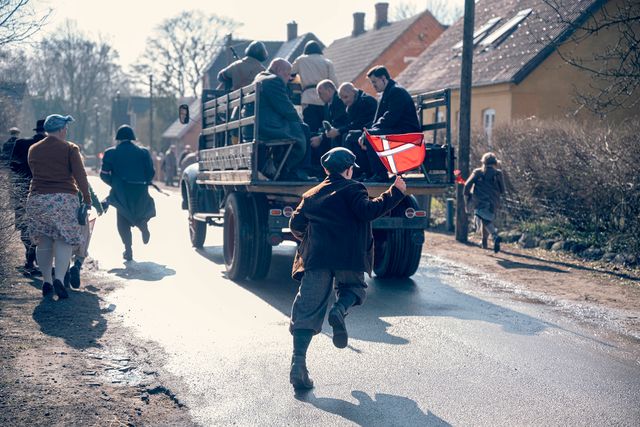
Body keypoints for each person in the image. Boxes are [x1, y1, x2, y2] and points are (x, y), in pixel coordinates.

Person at [288, 147, 407, 390]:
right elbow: (368, 211)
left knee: (306, 309)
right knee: (353, 289)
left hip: (317, 259)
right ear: (349, 170)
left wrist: (308, 239)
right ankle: (339, 310)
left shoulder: (311, 195)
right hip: (349, 256)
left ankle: (297, 365)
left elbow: (295, 224)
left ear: (325, 169)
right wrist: (396, 192)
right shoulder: (354, 188)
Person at [26, 115, 91, 299]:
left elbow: (34, 173)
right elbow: (80, 176)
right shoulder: (70, 148)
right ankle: (60, 279)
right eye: (66, 128)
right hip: (63, 199)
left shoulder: (33, 149)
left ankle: (46, 280)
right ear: (62, 129)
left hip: (38, 199)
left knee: (44, 241)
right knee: (64, 240)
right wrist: (86, 198)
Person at [253, 58, 315, 182]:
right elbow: (286, 109)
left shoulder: (260, 78)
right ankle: (298, 171)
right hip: (266, 128)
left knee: (297, 128)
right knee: (304, 128)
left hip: (256, 125)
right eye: (287, 75)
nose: (288, 79)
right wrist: (300, 121)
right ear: (279, 70)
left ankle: (284, 169)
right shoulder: (273, 81)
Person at [100, 125, 156, 261]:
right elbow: (151, 173)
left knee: (122, 221)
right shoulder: (143, 152)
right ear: (132, 138)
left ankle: (128, 249)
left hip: (121, 192)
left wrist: (114, 183)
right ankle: (142, 225)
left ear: (118, 138)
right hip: (140, 190)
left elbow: (104, 175)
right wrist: (145, 182)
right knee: (140, 212)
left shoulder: (111, 153)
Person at [361, 65, 421, 182]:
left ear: (383, 78)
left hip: (405, 132)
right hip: (395, 130)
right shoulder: (386, 94)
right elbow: (377, 120)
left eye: (375, 82)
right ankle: (367, 173)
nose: (373, 86)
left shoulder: (396, 91)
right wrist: (365, 132)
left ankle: (380, 175)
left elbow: (391, 117)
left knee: (370, 136)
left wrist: (370, 133)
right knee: (353, 137)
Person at [10, 119, 46, 274]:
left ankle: (30, 257)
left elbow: (12, 166)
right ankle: (40, 258)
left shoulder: (21, 144)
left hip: (22, 190)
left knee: (24, 224)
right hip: (44, 191)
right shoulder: (53, 147)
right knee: (43, 225)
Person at [291, 41, 338, 137]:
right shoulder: (327, 62)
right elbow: (334, 83)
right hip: (324, 99)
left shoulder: (301, 60)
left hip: (308, 98)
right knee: (325, 128)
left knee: (311, 129)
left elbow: (290, 73)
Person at [464, 152, 505, 253]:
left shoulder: (478, 172)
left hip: (480, 201)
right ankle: (484, 242)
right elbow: (502, 190)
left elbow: (467, 185)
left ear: (483, 162)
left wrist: (467, 198)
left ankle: (495, 236)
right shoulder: (498, 173)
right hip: (493, 202)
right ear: (495, 162)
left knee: (484, 219)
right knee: (485, 219)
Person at [337, 83, 378, 178]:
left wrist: (340, 130)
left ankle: (360, 171)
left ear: (353, 92)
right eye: (342, 98)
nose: (344, 101)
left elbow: (361, 122)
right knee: (343, 136)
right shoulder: (353, 102)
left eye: (346, 97)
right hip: (363, 130)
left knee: (350, 137)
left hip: (370, 130)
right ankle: (346, 170)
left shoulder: (366, 101)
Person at [308, 80, 348, 170]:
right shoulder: (327, 105)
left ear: (329, 90)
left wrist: (321, 137)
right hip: (330, 131)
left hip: (340, 131)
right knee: (311, 136)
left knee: (321, 140)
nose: (319, 97)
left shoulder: (339, 100)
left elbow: (338, 122)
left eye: (320, 93)